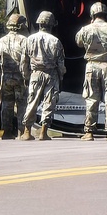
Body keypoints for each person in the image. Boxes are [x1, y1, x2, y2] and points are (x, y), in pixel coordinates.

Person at [74, 2, 107, 141]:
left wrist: (90, 25)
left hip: (91, 66)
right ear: (106, 14)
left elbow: (78, 42)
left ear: (92, 14)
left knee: (92, 98)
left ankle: (89, 132)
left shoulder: (85, 29)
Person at [20, 11, 66, 141]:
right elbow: (61, 63)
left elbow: (24, 61)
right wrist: (61, 76)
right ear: (52, 25)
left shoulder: (29, 39)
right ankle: (43, 132)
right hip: (51, 74)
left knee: (32, 101)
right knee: (49, 102)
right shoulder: (56, 41)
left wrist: (26, 76)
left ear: (39, 23)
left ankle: (27, 132)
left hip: (35, 73)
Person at [0, 13, 28, 140]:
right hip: (21, 78)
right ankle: (23, 131)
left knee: (6, 104)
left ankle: (7, 132)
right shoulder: (25, 41)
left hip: (6, 78)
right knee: (22, 104)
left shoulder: (0, 41)